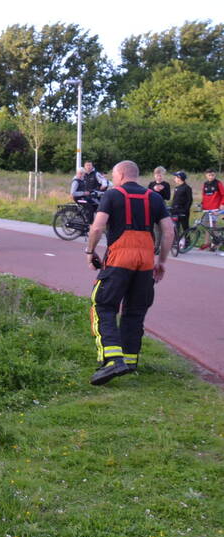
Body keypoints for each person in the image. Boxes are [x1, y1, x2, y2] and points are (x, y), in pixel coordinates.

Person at [84, 160, 173, 385]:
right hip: (145, 262)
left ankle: (113, 360)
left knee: (103, 305)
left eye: (114, 176)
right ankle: (130, 361)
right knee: (135, 311)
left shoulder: (112, 195)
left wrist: (90, 251)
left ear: (121, 175)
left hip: (119, 259)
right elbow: (168, 232)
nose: (113, 179)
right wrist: (161, 262)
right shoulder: (154, 197)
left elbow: (97, 227)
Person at [171, 171, 193, 238]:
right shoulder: (177, 188)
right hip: (175, 211)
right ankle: (177, 241)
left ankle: (187, 241)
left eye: (175, 177)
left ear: (179, 178)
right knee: (175, 227)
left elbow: (190, 200)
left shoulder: (187, 188)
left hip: (183, 211)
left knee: (185, 227)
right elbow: (174, 200)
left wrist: (185, 210)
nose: (174, 179)